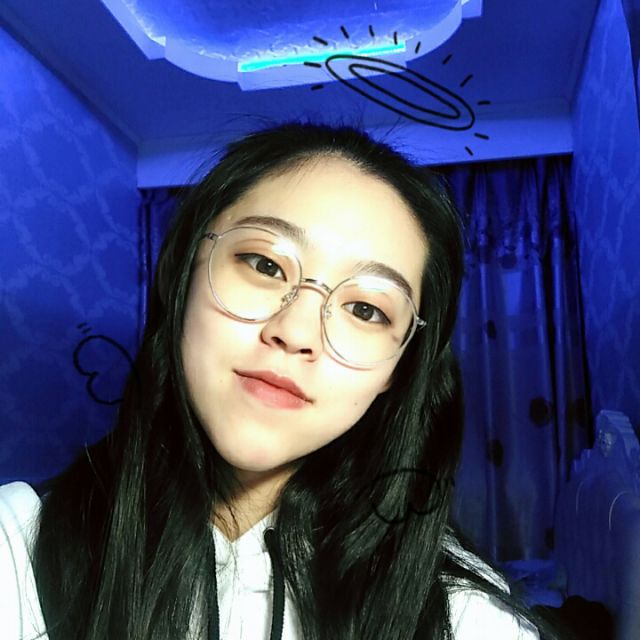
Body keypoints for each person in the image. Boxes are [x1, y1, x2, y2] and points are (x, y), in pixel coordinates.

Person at [0, 122, 566, 640]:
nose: (296, 332)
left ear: (400, 368)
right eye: (265, 265)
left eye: (367, 310)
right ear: (180, 274)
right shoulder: (19, 545)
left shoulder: (464, 616)